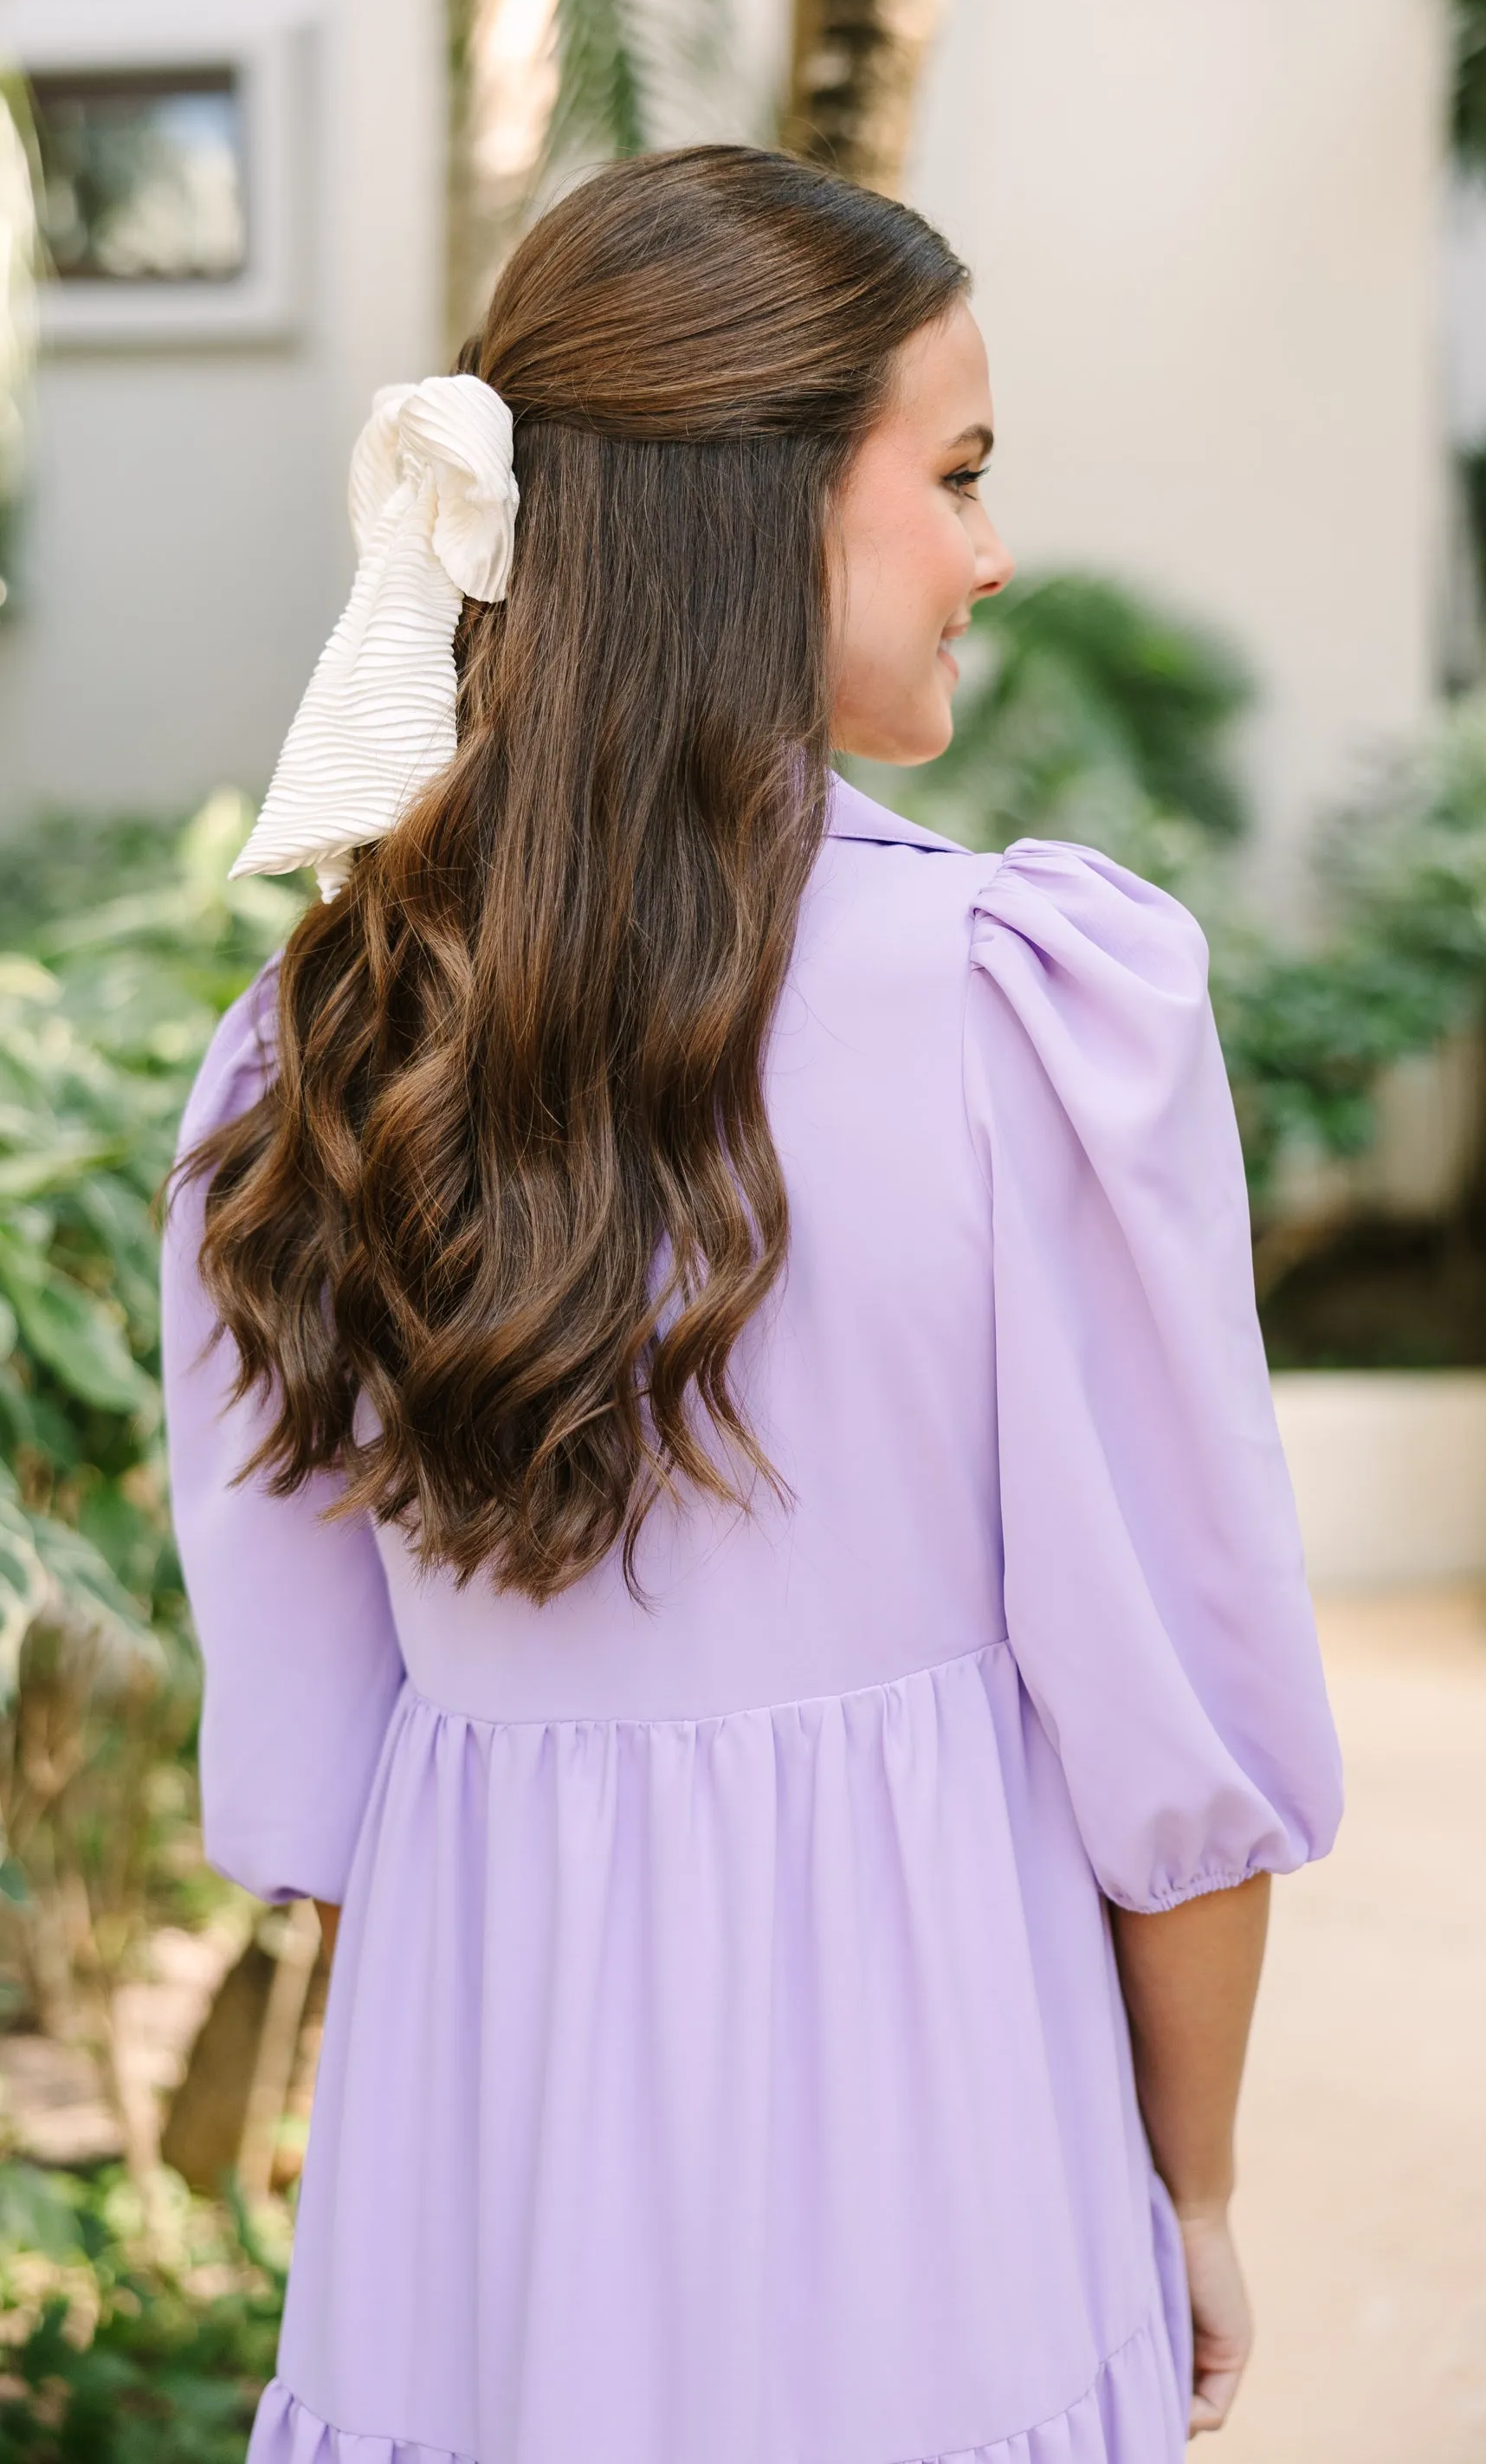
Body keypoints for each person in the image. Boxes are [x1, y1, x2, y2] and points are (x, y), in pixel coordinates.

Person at [162, 144, 1341, 2464]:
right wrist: (1189, 2185)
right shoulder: (1024, 1013)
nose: (994, 555)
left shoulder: (319, 1039)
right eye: (960, 475)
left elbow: (313, 1761)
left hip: (476, 2174)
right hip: (935, 2154)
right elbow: (1169, 1732)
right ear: (772, 509)